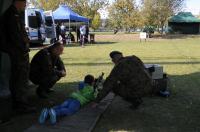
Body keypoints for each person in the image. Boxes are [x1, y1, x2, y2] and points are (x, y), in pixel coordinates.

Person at [2, 0, 36, 113]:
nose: (25, 5)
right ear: (18, 2)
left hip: (16, 52)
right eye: (24, 3)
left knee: (18, 78)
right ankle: (21, 105)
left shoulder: (13, 14)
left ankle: (19, 103)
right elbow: (16, 36)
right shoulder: (12, 15)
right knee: (20, 79)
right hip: (17, 53)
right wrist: (24, 44)